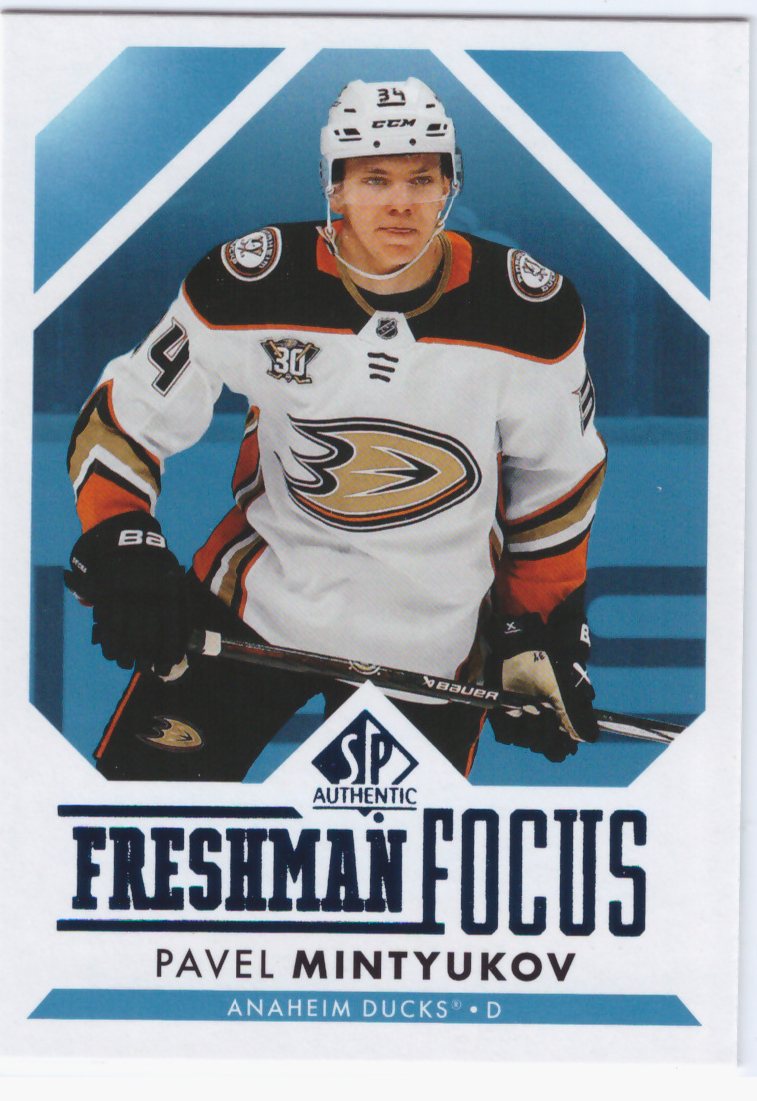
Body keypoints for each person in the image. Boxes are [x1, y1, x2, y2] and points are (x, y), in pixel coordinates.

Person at [65, 78, 607, 781]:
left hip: (431, 645)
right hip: (254, 610)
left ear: (450, 184)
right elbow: (125, 415)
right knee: (136, 822)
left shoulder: (529, 316)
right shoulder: (252, 284)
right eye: (375, 178)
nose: (401, 203)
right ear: (335, 187)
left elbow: (558, 480)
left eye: (422, 178)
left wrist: (534, 629)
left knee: (389, 856)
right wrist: (122, 545)